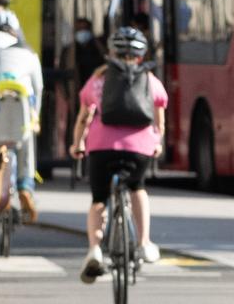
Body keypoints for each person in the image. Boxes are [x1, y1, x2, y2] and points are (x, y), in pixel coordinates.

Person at [71, 26, 168, 283]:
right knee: (137, 187)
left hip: (101, 148)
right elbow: (159, 121)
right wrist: (156, 142)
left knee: (98, 199)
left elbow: (84, 117)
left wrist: (77, 143)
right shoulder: (150, 80)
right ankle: (145, 242)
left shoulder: (97, 80)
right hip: (139, 149)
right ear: (140, 55)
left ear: (111, 53)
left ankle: (94, 249)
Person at [0, 27, 44, 220]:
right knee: (26, 143)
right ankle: (25, 186)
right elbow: (38, 87)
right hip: (22, 106)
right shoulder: (31, 55)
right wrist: (36, 117)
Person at [68, 15, 105, 88]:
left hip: (94, 87)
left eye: (85, 29)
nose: (82, 32)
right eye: (79, 29)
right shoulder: (70, 50)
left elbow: (104, 58)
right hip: (76, 89)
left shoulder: (97, 46)